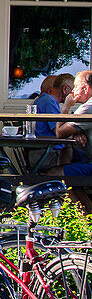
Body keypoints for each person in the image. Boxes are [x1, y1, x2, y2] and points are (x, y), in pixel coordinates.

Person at [51, 70, 92, 210]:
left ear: (85, 88)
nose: (73, 91)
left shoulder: (88, 108)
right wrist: (76, 133)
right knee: (70, 169)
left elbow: (60, 132)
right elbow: (74, 127)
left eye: (75, 86)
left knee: (53, 174)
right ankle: (87, 212)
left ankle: (80, 218)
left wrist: (66, 106)